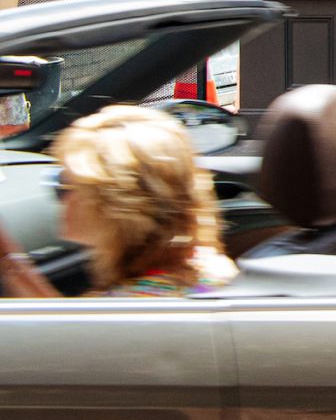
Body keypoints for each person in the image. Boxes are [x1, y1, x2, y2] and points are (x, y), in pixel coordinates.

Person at [0, 105, 238, 297]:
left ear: (118, 204)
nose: (61, 196)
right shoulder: (201, 269)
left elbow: (62, 342)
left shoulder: (141, 302)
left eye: (66, 183)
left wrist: (8, 261)